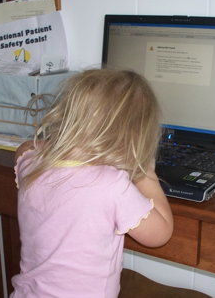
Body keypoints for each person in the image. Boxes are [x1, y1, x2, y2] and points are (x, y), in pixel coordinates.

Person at [11, 68, 174, 298]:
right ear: (131, 140)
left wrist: (56, 147)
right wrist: (145, 173)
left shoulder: (30, 166)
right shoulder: (113, 186)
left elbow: (24, 149)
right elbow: (161, 233)